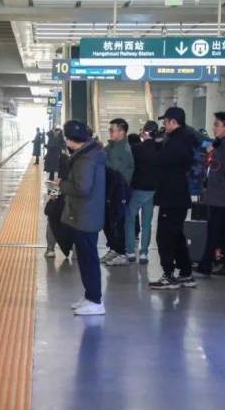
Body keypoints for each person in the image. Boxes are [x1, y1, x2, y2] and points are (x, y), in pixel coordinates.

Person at [59, 120, 106, 316]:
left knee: (88, 259)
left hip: (86, 215)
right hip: (86, 214)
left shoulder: (86, 159)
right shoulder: (90, 153)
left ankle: (95, 301)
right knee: (86, 258)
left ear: (71, 140)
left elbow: (83, 188)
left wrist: (61, 185)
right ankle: (90, 296)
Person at [149, 107, 198, 289]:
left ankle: (168, 275)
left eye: (166, 121)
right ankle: (185, 273)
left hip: (172, 196)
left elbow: (160, 161)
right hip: (177, 195)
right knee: (176, 235)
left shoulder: (178, 141)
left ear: (173, 122)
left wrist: (155, 145)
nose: (164, 125)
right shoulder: (184, 138)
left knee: (165, 237)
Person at [195, 112, 225, 277]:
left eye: (217, 125)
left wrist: (215, 152)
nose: (214, 128)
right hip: (216, 196)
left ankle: (207, 265)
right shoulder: (218, 143)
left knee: (216, 232)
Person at [101, 118, 134, 266]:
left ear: (122, 132)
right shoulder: (111, 147)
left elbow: (114, 169)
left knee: (117, 221)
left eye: (112, 130)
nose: (110, 132)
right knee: (108, 221)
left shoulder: (124, 149)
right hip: (111, 189)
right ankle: (114, 248)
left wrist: (103, 157)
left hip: (120, 190)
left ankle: (121, 252)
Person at [126, 121, 159, 265]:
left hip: (137, 188)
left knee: (130, 219)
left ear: (145, 132)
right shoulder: (160, 148)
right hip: (152, 190)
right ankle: (144, 253)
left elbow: (130, 168)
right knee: (147, 223)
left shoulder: (136, 149)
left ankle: (130, 251)